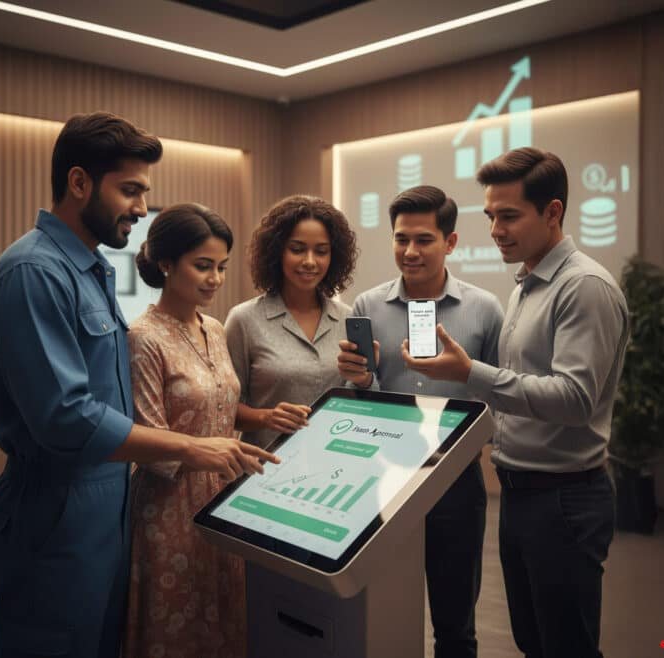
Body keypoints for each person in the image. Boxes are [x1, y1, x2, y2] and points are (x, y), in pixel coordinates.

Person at [0, 113, 277, 658]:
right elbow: (65, 416)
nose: (142, 208)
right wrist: (190, 446)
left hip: (106, 506)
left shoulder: (89, 270)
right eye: (130, 190)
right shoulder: (33, 273)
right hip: (57, 507)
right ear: (79, 182)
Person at [401, 147, 629, 658]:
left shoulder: (583, 287)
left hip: (564, 499)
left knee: (565, 645)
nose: (497, 229)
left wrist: (469, 373)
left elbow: (575, 400)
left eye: (509, 216)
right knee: (533, 641)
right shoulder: (528, 283)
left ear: (552, 212)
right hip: (522, 493)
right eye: (490, 216)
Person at [336, 185, 504, 658]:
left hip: (455, 481)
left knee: (455, 624)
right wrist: (358, 379)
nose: (409, 252)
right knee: (380, 614)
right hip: (383, 483)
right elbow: (362, 394)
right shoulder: (367, 306)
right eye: (400, 239)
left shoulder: (484, 309)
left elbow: (499, 393)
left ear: (450, 242)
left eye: (424, 240)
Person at [124, 203, 257, 658]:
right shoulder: (143, 337)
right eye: (202, 266)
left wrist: (257, 420)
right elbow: (147, 439)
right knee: (178, 625)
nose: (215, 279)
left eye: (221, 267)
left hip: (226, 494)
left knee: (225, 618)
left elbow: (219, 407)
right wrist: (205, 452)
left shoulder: (215, 329)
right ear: (166, 264)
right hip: (169, 505)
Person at [225, 195, 359, 448]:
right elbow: (224, 410)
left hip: (335, 464)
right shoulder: (243, 320)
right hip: (264, 469)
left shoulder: (348, 318)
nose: (310, 261)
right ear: (276, 252)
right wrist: (266, 417)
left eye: (321, 251)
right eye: (297, 249)